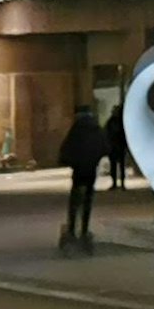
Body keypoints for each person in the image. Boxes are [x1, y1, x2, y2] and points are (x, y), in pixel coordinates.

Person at [56, 102, 107, 251]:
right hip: (91, 169)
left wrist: (67, 161)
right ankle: (84, 230)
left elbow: (66, 148)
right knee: (88, 200)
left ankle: (72, 229)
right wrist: (96, 158)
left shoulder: (76, 129)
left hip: (78, 169)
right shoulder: (96, 128)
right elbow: (105, 146)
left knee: (74, 199)